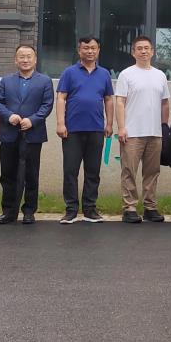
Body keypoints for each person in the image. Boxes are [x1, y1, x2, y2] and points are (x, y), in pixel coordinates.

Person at [55, 36, 114, 224]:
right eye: (86, 48)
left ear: (98, 50)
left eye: (93, 48)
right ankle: (71, 210)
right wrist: (60, 123)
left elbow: (108, 99)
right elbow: (61, 98)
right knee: (70, 171)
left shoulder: (104, 74)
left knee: (93, 171)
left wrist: (110, 123)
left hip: (96, 129)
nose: (90, 51)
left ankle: (90, 209)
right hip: (72, 130)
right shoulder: (69, 73)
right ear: (79, 50)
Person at [0, 45, 54, 225]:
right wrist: (9, 116)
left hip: (33, 133)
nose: (25, 60)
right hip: (9, 133)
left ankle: (29, 211)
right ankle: (8, 211)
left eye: (29, 56)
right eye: (21, 56)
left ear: (35, 60)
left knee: (31, 174)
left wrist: (33, 120)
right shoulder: (6, 81)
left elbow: (47, 104)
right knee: (7, 174)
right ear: (15, 60)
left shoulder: (44, 81)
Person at [115, 35, 171, 224]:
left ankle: (150, 207)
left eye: (147, 48)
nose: (143, 51)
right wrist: (121, 127)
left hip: (155, 133)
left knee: (152, 172)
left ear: (152, 51)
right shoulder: (126, 74)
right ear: (133, 52)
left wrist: (164, 127)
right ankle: (129, 208)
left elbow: (165, 103)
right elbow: (120, 102)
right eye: (139, 48)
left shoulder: (160, 75)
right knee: (129, 171)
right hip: (132, 132)